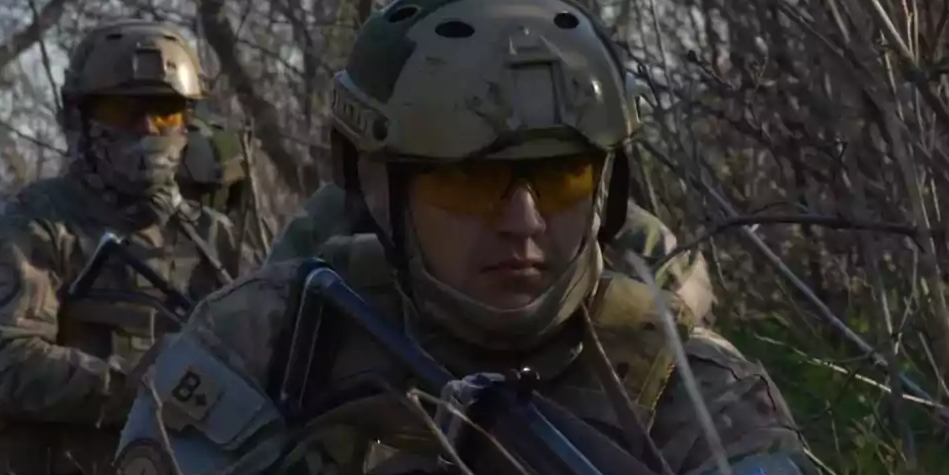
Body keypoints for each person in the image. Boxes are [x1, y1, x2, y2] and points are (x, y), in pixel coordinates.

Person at [89, 0, 837, 475]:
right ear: (382, 190)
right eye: (470, 185)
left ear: (610, 186)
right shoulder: (270, 343)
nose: (524, 221)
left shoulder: (696, 390)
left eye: (563, 176)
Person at [0, 18, 253, 475]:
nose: (147, 129)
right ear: (81, 118)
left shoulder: (212, 238)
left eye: (165, 112)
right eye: (123, 110)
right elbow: (1, 360)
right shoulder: (35, 225)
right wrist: (144, 386)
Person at [268, 179, 716, 319]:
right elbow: (275, 304)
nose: (524, 222)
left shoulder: (594, 200)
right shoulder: (350, 204)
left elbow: (685, 299)